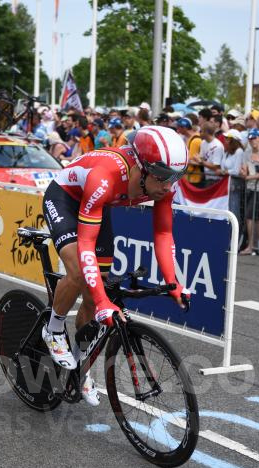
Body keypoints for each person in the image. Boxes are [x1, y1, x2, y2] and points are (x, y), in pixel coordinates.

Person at [40, 126, 190, 405]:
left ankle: (78, 367)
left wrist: (173, 283)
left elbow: (163, 233)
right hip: (65, 199)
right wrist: (102, 301)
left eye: (175, 178)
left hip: (99, 205)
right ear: (141, 168)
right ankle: (53, 326)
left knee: (97, 296)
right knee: (79, 273)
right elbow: (85, 245)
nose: (169, 186)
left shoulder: (162, 182)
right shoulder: (105, 176)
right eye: (163, 178)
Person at [240, 129, 259, 255]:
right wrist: (243, 173)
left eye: (255, 138)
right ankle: (256, 246)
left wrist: (248, 177)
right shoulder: (247, 152)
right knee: (255, 218)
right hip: (251, 187)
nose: (253, 141)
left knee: (250, 216)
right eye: (251, 139)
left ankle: (252, 246)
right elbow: (244, 168)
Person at [199, 122, 224, 186]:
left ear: (206, 132)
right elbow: (201, 158)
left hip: (215, 179)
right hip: (206, 177)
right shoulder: (203, 142)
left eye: (201, 131)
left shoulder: (218, 146)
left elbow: (216, 166)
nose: (199, 133)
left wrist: (201, 162)